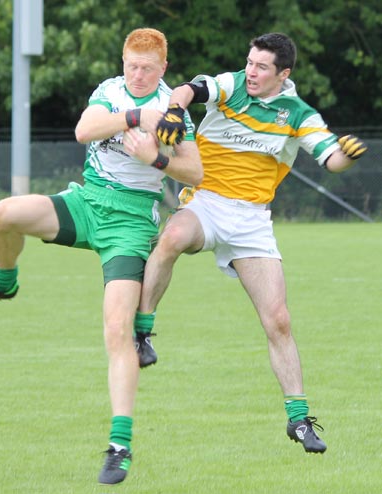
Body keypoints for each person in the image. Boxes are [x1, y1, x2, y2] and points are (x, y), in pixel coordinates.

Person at [0, 28, 202, 485]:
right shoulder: (110, 91)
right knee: (5, 213)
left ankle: (120, 446)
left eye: (147, 68)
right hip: (87, 204)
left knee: (115, 330)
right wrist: (134, 115)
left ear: (163, 68)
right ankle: (4, 282)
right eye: (131, 65)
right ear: (123, 62)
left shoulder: (173, 111)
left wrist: (156, 158)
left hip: (129, 225)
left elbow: (195, 170)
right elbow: (85, 129)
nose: (138, 74)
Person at [135, 32, 367, 454]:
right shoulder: (233, 84)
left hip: (252, 221)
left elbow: (331, 159)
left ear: (284, 73)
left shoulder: (297, 113)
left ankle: (298, 420)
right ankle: (143, 332)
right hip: (205, 201)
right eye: (249, 62)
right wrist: (172, 111)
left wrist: (348, 155)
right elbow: (191, 88)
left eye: (261, 66)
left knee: (278, 319)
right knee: (171, 238)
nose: (252, 71)